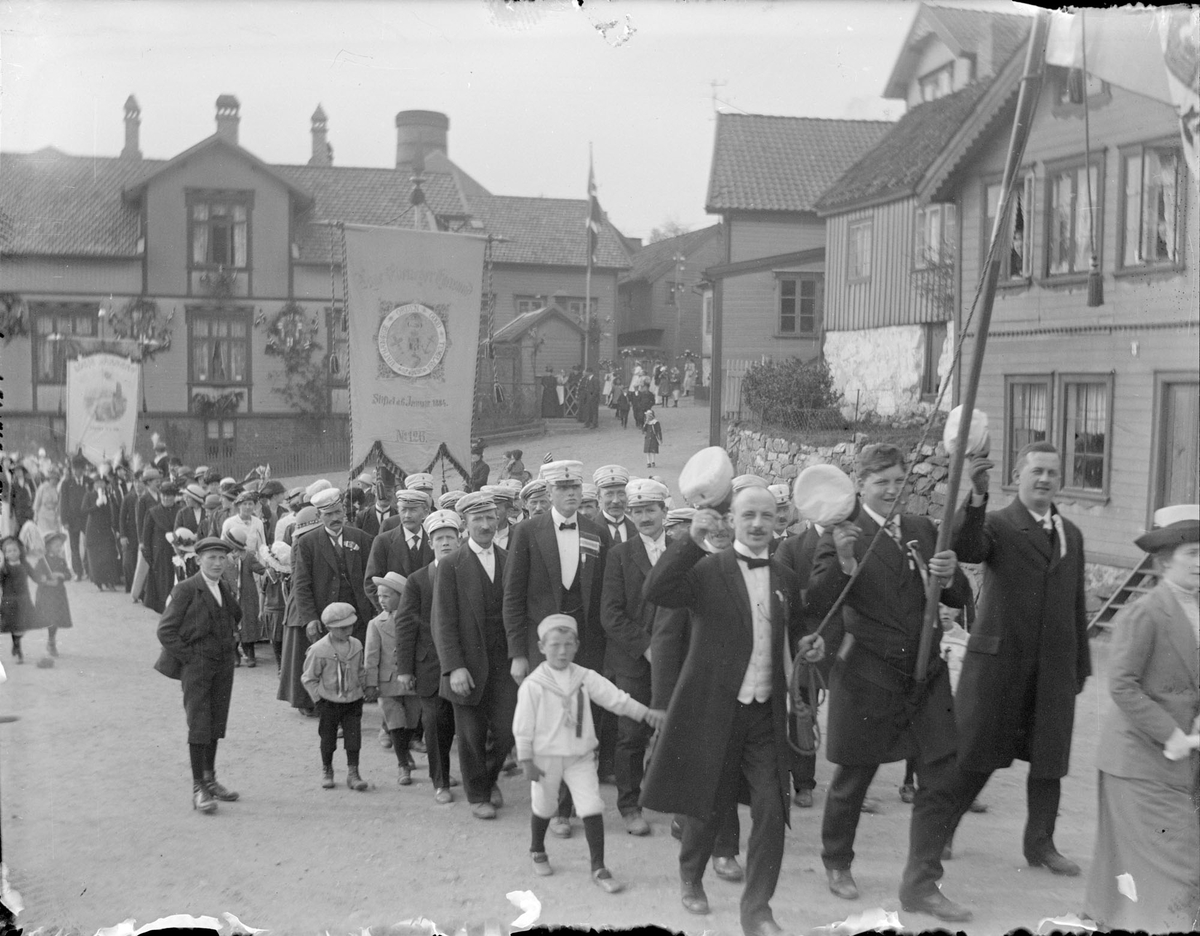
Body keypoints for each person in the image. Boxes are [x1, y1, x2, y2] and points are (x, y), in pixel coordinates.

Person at [642, 486, 824, 936]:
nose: (759, 524)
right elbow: (657, 588)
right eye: (749, 516)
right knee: (707, 802)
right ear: (733, 521)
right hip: (714, 710)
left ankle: (757, 909)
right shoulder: (708, 570)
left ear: (778, 520)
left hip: (765, 714)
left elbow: (796, 628)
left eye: (767, 515)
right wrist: (689, 539)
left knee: (770, 808)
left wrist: (810, 644)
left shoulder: (784, 575)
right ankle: (691, 878)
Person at [805, 443, 974, 923]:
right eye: (881, 482)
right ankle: (837, 862)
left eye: (898, 481)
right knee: (854, 777)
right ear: (862, 485)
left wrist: (952, 574)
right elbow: (818, 601)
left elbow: (961, 595)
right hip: (870, 673)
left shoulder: (922, 529)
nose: (891, 490)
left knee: (941, 774)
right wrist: (841, 561)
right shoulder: (844, 532)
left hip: (927, 676)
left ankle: (921, 883)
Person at [935, 441, 1091, 877]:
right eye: (1036, 470)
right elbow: (967, 547)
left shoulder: (1070, 534)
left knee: (1049, 763)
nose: (1044, 479)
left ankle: (1040, 845)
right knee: (977, 756)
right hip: (1002, 666)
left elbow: (1076, 603)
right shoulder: (999, 525)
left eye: (1052, 473)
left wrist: (1080, 666)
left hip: (1054, 669)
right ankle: (942, 829)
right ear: (1019, 476)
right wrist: (978, 496)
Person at [1083, 505, 1200, 933]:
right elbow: (1122, 685)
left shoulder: (1197, 608)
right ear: (1164, 560)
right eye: (1192, 552)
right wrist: (1172, 733)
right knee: (1180, 863)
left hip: (1179, 763)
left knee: (1139, 875)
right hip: (1139, 759)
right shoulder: (1146, 612)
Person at [515, 613, 666, 892]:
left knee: (591, 806)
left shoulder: (585, 677)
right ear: (541, 647)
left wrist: (645, 713)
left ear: (577, 645)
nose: (562, 651)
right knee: (545, 806)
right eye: (555, 645)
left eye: (568, 644)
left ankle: (598, 866)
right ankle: (537, 848)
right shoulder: (533, 685)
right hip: (545, 758)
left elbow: (616, 699)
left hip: (579, 756)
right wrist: (526, 760)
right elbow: (523, 727)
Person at [504, 460, 609, 836]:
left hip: (585, 644)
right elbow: (513, 595)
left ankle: (572, 805)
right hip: (540, 645)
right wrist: (518, 652)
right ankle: (550, 810)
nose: (570, 494)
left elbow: (604, 594)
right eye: (562, 488)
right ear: (549, 493)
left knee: (578, 722)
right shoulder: (528, 532)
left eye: (575, 488)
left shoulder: (596, 532)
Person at [432, 492, 514, 819]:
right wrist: (454, 667)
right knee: (471, 734)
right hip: (467, 665)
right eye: (477, 519)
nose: (484, 525)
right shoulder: (452, 565)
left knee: (507, 731)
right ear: (465, 524)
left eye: (490, 518)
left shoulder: (510, 559)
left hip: (505, 664)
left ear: (498, 520)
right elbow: (444, 620)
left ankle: (490, 777)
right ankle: (478, 793)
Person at [600, 477, 671, 836]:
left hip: (675, 661)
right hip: (632, 661)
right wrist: (646, 647)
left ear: (664, 511)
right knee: (630, 734)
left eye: (650, 509)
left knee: (677, 731)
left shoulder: (682, 550)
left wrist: (670, 651)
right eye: (637, 510)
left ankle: (676, 803)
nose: (644, 517)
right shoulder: (620, 555)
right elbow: (610, 613)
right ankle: (630, 805)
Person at [153, 535, 242, 814]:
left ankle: (210, 778)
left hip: (222, 665)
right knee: (199, 724)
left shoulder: (223, 586)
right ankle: (198, 788)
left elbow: (233, 616)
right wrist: (191, 658)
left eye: (221, 558)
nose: (217, 563)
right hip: (198, 669)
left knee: (215, 723)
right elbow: (165, 630)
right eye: (211, 558)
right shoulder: (186, 589)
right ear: (198, 560)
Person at [397, 510, 463, 803]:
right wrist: (405, 669)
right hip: (428, 665)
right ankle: (441, 781)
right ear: (431, 543)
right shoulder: (418, 580)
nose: (445, 543)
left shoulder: (468, 572)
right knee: (435, 722)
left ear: (459, 540)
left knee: (460, 722)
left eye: (450, 537)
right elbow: (406, 625)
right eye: (439, 539)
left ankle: (463, 774)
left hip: (463, 664)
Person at [293, 487, 375, 648]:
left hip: (360, 617)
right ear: (318, 516)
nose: (335, 518)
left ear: (344, 510)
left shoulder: (362, 538)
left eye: (338, 512)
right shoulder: (308, 543)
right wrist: (310, 618)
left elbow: (372, 578)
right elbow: (301, 584)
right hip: (326, 618)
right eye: (328, 514)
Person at [302, 601, 370, 791]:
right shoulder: (318, 650)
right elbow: (309, 678)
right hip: (329, 702)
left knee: (354, 737)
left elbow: (361, 670)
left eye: (350, 625)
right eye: (342, 628)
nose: (348, 630)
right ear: (329, 628)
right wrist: (318, 700)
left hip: (353, 700)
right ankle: (327, 769)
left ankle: (353, 773)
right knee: (328, 737)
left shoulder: (356, 645)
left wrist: (366, 687)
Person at [366, 570, 421, 785]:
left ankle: (405, 752)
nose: (381, 601)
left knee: (411, 721)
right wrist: (370, 684)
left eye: (387, 596)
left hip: (412, 681)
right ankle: (402, 765)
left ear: (401, 596)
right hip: (387, 683)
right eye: (379, 596)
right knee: (395, 721)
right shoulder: (376, 624)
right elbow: (371, 657)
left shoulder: (416, 620)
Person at [277, 506, 323, 716]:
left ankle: (308, 699)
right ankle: (304, 700)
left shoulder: (308, 543)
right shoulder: (301, 546)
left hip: (306, 603)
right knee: (300, 656)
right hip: (301, 606)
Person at [222, 526, 264, 668]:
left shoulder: (248, 556)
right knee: (231, 624)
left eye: (228, 541)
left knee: (247, 624)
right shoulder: (223, 558)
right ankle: (235, 653)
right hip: (230, 595)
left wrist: (272, 566)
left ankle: (250, 652)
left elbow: (261, 569)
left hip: (247, 597)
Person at [141, 481, 182, 614]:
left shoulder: (180, 511)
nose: (166, 498)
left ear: (174, 496)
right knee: (162, 587)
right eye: (163, 495)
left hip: (177, 554)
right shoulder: (153, 512)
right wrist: (150, 558)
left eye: (169, 496)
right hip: (160, 557)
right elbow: (146, 538)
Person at [31, 531, 72, 658]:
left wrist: (60, 575)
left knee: (56, 618)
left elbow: (69, 575)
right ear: (48, 547)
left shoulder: (61, 561)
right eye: (56, 546)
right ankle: (51, 642)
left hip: (58, 594)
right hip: (46, 594)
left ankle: (51, 640)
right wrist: (46, 580)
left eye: (60, 546)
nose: (59, 548)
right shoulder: (42, 561)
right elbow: (36, 576)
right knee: (50, 618)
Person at [1, 535, 39, 664]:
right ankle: (19, 649)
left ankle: (16, 643)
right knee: (14, 624)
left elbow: (35, 576)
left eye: (15, 550)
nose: (12, 553)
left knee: (23, 625)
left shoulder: (24, 564)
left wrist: (44, 580)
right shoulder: (4, 568)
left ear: (20, 551)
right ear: (5, 554)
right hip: (9, 601)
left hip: (24, 600)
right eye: (9, 551)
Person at [83, 471, 123, 590]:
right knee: (96, 558)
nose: (100, 485)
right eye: (97, 483)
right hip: (93, 530)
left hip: (106, 530)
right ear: (94, 485)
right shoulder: (89, 495)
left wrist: (115, 527)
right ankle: (99, 582)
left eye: (102, 483)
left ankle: (110, 581)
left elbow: (113, 512)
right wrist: (96, 505)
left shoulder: (109, 495)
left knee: (108, 555)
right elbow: (84, 510)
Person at [260, 541, 291, 672]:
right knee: (277, 640)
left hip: (282, 610)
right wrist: (261, 610)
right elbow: (262, 592)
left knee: (281, 640)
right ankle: (280, 665)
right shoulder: (268, 575)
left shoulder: (288, 577)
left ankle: (283, 665)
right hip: (273, 611)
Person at [59, 457, 91, 579]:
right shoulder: (66, 483)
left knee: (90, 543)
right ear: (72, 470)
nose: (78, 471)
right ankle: (78, 572)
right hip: (72, 520)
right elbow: (63, 503)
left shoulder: (89, 481)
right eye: (75, 469)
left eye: (80, 469)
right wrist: (64, 521)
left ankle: (89, 570)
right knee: (74, 546)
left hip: (87, 518)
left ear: (84, 469)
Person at [33, 467, 63, 537]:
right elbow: (37, 501)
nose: (54, 480)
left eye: (56, 479)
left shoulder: (57, 489)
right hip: (43, 515)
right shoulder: (43, 487)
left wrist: (58, 515)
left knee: (53, 536)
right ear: (49, 478)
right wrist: (35, 515)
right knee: (45, 535)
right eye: (52, 478)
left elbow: (59, 503)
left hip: (53, 516)